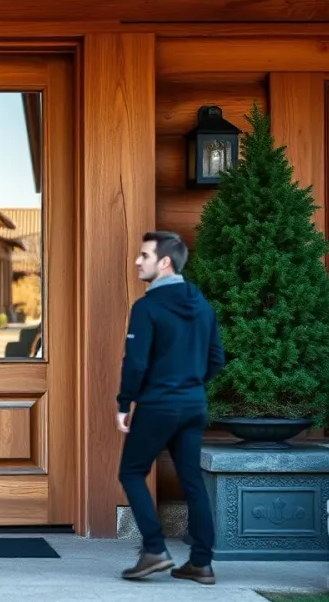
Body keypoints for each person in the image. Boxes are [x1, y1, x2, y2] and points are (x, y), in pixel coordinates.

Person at [116, 231, 224, 585]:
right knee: (192, 480)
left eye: (144, 255)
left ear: (164, 262)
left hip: (158, 404)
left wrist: (124, 402)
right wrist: (189, 385)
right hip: (193, 404)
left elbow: (135, 362)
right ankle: (201, 564)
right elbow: (216, 358)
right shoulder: (203, 306)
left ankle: (154, 549)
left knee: (132, 472)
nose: (137, 261)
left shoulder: (147, 307)